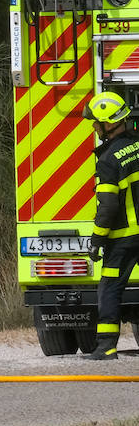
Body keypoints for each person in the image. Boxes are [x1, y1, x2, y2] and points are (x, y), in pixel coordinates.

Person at [84, 91, 139, 360]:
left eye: (96, 122)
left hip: (123, 239)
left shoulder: (108, 160)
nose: (94, 127)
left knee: (109, 287)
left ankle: (106, 347)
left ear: (108, 123)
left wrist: (96, 240)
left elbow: (107, 208)